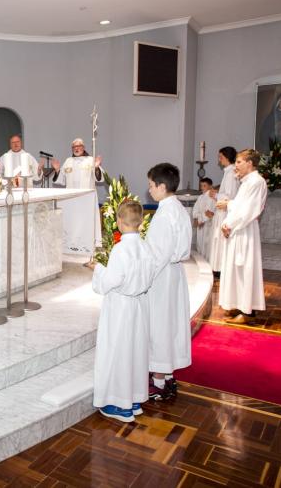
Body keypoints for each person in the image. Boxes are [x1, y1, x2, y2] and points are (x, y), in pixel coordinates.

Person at [92, 200, 153, 422]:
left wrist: (98, 269)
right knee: (135, 351)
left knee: (118, 351)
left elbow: (111, 281)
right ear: (141, 221)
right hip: (139, 305)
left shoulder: (120, 249)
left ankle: (119, 404)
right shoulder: (145, 247)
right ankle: (134, 399)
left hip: (121, 307)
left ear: (119, 221)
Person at [145, 163, 192, 400]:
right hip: (175, 274)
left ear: (162, 186)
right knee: (171, 324)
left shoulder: (164, 214)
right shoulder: (178, 208)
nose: (149, 190)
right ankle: (168, 375)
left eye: (151, 185)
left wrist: (140, 277)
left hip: (162, 276)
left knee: (160, 326)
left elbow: (158, 255)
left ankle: (158, 383)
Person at [218, 149, 268, 324]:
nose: (236, 166)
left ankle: (247, 311)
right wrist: (229, 209)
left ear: (250, 163)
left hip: (244, 230)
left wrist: (228, 224)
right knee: (237, 270)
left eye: (239, 162)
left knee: (245, 269)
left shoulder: (256, 182)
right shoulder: (247, 182)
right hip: (238, 229)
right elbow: (240, 205)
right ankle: (240, 304)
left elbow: (248, 210)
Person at [50, 138, 104, 253]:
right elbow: (61, 180)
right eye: (74, 147)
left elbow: (99, 178)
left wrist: (96, 167)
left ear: (83, 147)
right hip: (72, 200)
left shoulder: (90, 160)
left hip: (86, 200)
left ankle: (87, 244)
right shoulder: (68, 161)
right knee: (72, 222)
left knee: (85, 222)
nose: (77, 148)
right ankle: (71, 245)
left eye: (79, 146)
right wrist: (57, 170)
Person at [207, 147, 240, 276]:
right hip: (222, 210)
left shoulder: (231, 173)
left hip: (225, 211)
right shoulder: (228, 172)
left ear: (227, 157)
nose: (219, 160)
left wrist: (216, 195)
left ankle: (221, 269)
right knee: (218, 239)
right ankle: (218, 268)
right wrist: (218, 193)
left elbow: (230, 195)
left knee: (221, 240)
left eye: (220, 157)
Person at [191, 177, 215, 258]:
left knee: (206, 243)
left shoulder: (211, 197)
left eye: (204, 186)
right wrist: (197, 218)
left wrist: (201, 220)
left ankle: (206, 260)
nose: (202, 187)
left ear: (210, 186)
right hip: (200, 222)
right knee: (199, 243)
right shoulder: (200, 197)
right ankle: (201, 259)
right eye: (201, 186)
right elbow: (195, 209)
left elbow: (210, 211)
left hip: (207, 223)